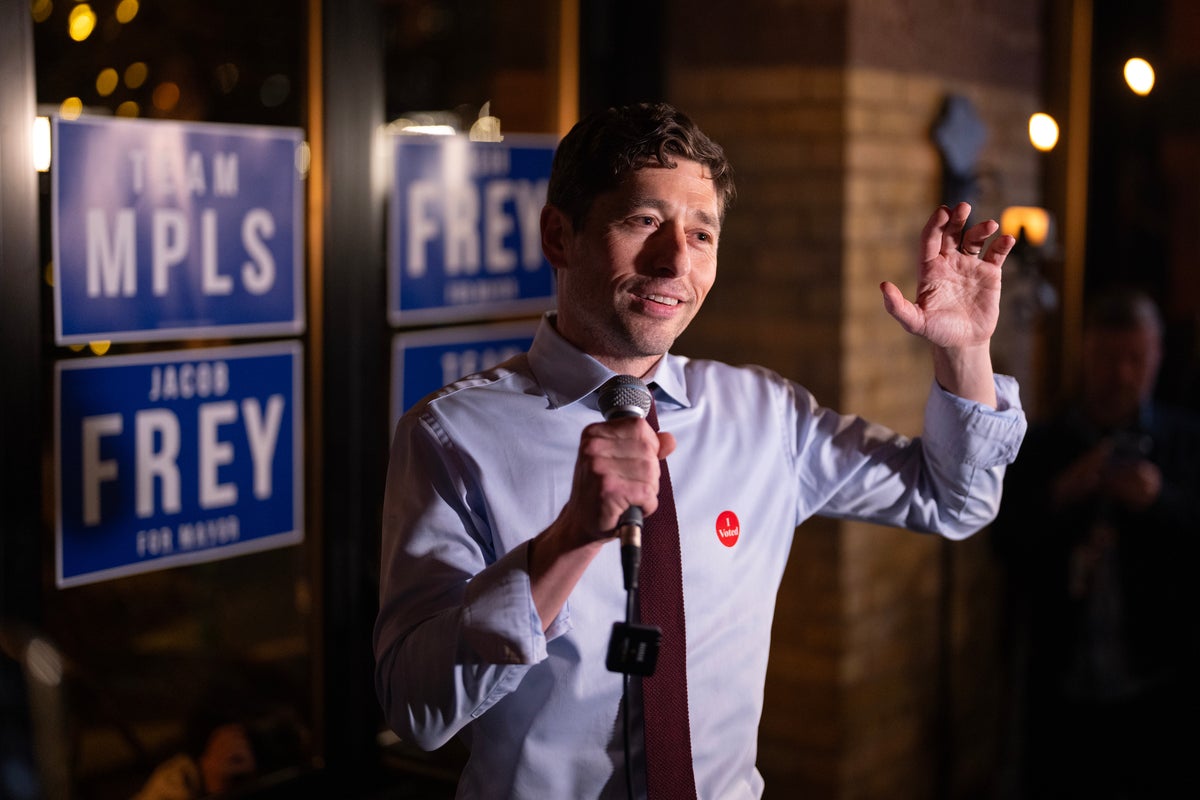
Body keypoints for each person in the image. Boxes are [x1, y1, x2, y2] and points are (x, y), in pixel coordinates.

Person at [374, 102, 1027, 799]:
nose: (674, 261)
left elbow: (955, 500)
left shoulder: (765, 416)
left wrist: (965, 355)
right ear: (559, 236)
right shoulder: (452, 435)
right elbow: (416, 711)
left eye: (702, 233)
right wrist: (568, 541)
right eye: (644, 221)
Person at [993, 288, 1200, 799]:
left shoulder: (1185, 442)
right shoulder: (1040, 446)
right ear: (1085, 353)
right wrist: (1063, 494)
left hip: (1159, 689)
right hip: (1060, 688)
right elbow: (1003, 547)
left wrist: (1160, 502)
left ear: (1157, 357)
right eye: (1108, 357)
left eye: (1135, 358)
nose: (1122, 374)